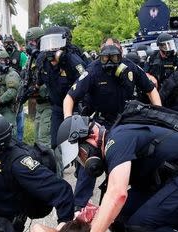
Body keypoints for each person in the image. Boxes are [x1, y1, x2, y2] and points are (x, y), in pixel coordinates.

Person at [63, 40, 161, 212]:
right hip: (100, 123)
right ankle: (79, 207)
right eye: (105, 56)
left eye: (113, 56)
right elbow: (69, 97)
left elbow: (151, 89)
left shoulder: (130, 67)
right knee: (90, 161)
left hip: (126, 122)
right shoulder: (93, 70)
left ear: (120, 53)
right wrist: (69, 122)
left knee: (136, 160)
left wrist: (159, 114)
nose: (109, 60)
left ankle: (134, 202)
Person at [37, 26, 86, 150]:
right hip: (57, 108)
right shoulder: (43, 61)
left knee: (77, 144)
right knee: (56, 143)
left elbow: (86, 84)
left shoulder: (73, 61)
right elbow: (39, 80)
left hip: (76, 109)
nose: (52, 47)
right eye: (49, 42)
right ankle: (59, 168)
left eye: (56, 42)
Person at [0, 35, 28, 142]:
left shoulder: (20, 55)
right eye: (6, 43)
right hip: (3, 92)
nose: (8, 45)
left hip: (16, 86)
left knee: (18, 121)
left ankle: (18, 143)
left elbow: (26, 70)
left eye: (10, 42)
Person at [24, 27, 51, 148]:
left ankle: (54, 167)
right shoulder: (31, 59)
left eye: (33, 42)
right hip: (40, 105)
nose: (30, 45)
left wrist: (36, 88)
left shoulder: (49, 57)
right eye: (29, 42)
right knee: (37, 141)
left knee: (45, 140)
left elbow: (52, 83)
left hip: (50, 104)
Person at [0, 50, 21, 136]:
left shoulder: (12, 74)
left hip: (9, 108)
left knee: (9, 132)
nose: (0, 63)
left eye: (2, 61)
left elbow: (12, 92)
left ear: (7, 61)